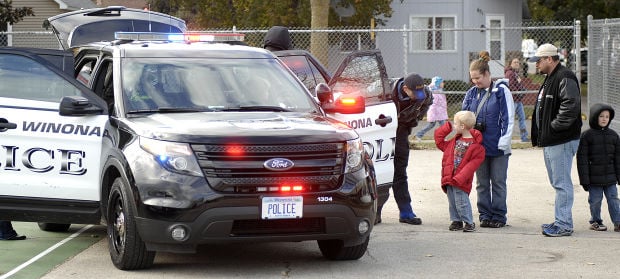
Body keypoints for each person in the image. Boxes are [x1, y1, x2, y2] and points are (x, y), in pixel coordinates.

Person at [529, 43, 582, 237]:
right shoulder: (551, 77)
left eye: (539, 61)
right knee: (557, 182)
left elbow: (571, 106)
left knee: (562, 183)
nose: (536, 65)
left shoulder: (564, 76)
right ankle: (560, 220)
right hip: (552, 140)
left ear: (549, 59)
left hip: (561, 139)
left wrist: (553, 127)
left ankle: (564, 224)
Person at [462, 50, 514, 229]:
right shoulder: (471, 94)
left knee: (498, 182)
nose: (475, 82)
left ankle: (499, 215)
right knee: (482, 183)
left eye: (478, 78)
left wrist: (504, 141)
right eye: (472, 78)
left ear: (487, 74)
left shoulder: (501, 91)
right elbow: (464, 119)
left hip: (498, 147)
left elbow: (509, 117)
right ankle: (484, 215)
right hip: (478, 147)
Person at [390, 73, 433, 225]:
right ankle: (375, 213)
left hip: (401, 131)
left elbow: (428, 102)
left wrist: (414, 119)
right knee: (378, 172)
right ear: (405, 88)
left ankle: (406, 212)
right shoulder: (387, 89)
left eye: (420, 93)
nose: (418, 97)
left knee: (400, 172)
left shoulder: (425, 93)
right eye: (415, 93)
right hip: (383, 132)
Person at [434, 110, 485, 232]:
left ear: (462, 126)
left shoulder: (476, 146)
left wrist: (460, 177)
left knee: (461, 201)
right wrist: (447, 128)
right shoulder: (454, 141)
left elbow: (472, 166)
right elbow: (439, 140)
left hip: (461, 179)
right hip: (450, 177)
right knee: (452, 200)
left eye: (455, 124)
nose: (454, 126)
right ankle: (456, 220)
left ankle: (468, 222)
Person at [576, 103, 620, 232]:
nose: (604, 119)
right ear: (595, 117)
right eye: (601, 116)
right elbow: (582, 160)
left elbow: (618, 159)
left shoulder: (614, 136)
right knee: (595, 200)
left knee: (614, 199)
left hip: (610, 178)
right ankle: (595, 221)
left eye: (607, 116)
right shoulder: (587, 136)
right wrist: (584, 180)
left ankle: (618, 222)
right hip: (594, 179)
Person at [414, 76, 448, 141]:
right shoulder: (434, 92)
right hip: (435, 112)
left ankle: (419, 134)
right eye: (441, 82)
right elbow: (433, 104)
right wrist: (433, 114)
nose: (443, 84)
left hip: (440, 112)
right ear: (437, 83)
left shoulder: (439, 91)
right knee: (435, 125)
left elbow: (442, 102)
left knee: (438, 125)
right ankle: (419, 134)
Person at [505, 57, 530, 142]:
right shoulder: (509, 73)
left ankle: (524, 137)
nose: (517, 64)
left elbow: (518, 84)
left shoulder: (515, 73)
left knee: (522, 118)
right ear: (510, 64)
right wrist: (519, 93)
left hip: (518, 101)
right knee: (510, 120)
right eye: (514, 62)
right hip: (513, 100)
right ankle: (507, 138)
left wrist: (522, 89)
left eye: (518, 62)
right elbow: (511, 86)